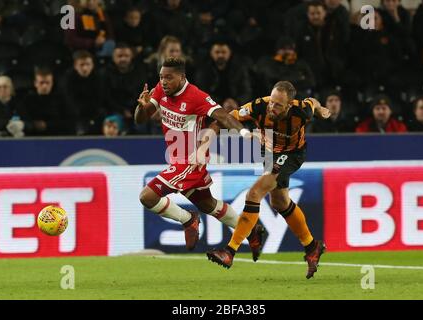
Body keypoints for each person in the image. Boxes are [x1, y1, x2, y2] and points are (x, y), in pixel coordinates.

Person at [134, 57, 265, 258]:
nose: (163, 82)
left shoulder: (196, 97)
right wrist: (142, 106)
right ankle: (250, 230)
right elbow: (140, 119)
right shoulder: (160, 90)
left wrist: (246, 134)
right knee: (208, 204)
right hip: (177, 159)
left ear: (182, 77)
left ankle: (188, 219)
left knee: (147, 197)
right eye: (161, 77)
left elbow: (223, 117)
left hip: (189, 161)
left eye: (168, 77)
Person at [206, 81, 331, 279]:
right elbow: (230, 117)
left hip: (292, 154)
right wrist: (211, 133)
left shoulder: (301, 111)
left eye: (278, 105)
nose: (272, 107)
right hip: (269, 153)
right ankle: (312, 246)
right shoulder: (259, 106)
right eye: (272, 102)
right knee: (279, 202)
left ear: (289, 105)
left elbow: (312, 103)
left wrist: (322, 108)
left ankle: (229, 252)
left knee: (254, 193)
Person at [62, 50, 104, 135]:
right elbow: (69, 101)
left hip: (95, 114)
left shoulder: (99, 78)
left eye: (88, 64)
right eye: (81, 65)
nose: (85, 68)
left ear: (92, 65)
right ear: (75, 66)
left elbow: (101, 98)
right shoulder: (67, 80)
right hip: (75, 116)